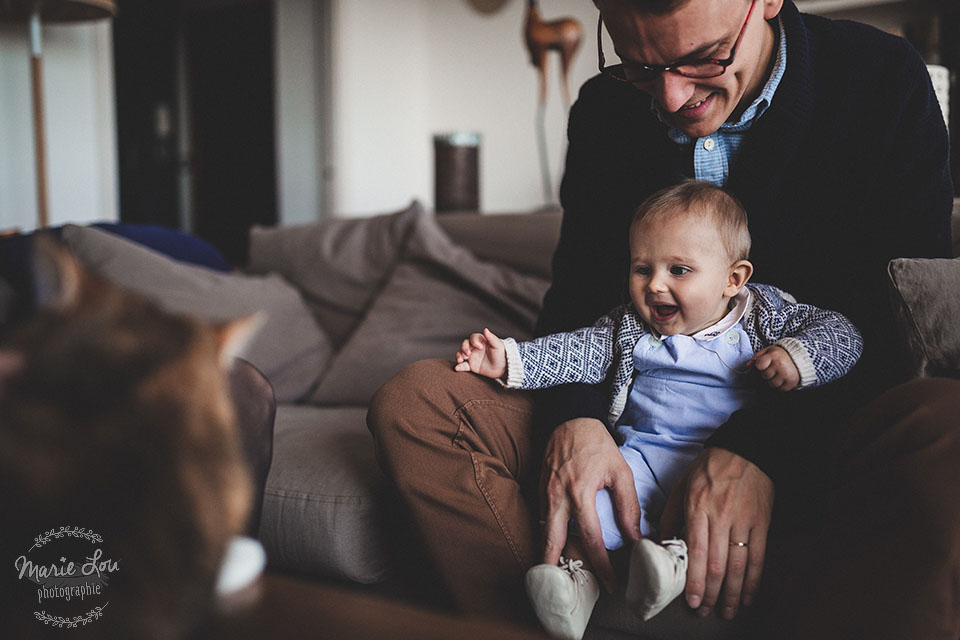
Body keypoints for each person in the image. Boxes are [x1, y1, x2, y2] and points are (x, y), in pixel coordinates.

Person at [368, 0, 959, 636]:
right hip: (634, 403)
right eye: (639, 66)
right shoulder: (603, 109)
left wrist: (759, 453)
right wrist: (578, 422)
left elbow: (891, 328)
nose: (672, 98)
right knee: (419, 402)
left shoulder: (882, 80)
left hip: (819, 414)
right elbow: (576, 304)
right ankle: (559, 609)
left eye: (704, 58)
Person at [453, 181, 862, 639]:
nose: (655, 285)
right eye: (642, 268)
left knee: (702, 518)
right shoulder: (629, 326)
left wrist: (797, 355)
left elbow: (843, 331)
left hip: (711, 458)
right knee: (588, 501)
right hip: (639, 455)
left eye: (679, 270)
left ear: (734, 279)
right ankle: (573, 584)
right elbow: (572, 352)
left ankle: (670, 568)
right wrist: (507, 359)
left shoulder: (763, 314)